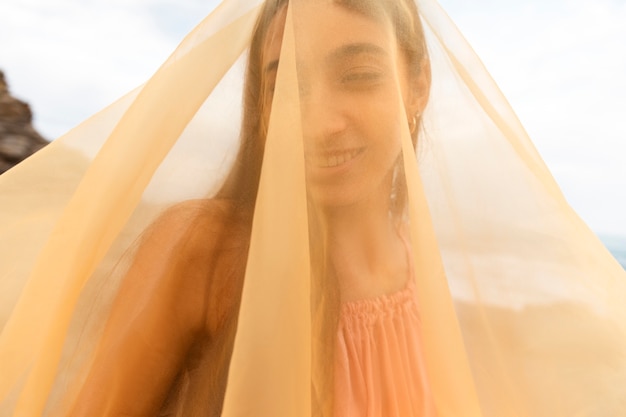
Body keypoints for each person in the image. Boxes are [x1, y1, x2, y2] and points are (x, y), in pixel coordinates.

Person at [2, 0, 626, 416]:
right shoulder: (206, 250)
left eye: (357, 75)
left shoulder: (419, 266)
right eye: (289, 84)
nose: (321, 122)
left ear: (418, 84)